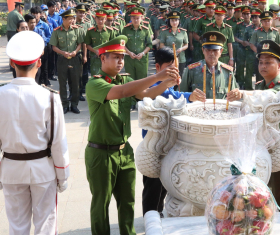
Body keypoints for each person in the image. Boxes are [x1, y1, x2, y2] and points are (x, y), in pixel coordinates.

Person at [85, 36, 180, 235]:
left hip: (124, 150)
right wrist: (157, 76)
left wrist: (167, 81)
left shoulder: (126, 79)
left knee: (127, 201)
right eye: (115, 57)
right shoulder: (95, 84)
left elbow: (147, 94)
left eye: (122, 57)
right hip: (100, 153)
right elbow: (120, 92)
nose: (121, 61)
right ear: (102, 59)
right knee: (101, 203)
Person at [0, 31, 69, 235]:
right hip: (43, 170)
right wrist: (62, 174)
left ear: (12, 64)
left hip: (11, 170)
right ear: (39, 63)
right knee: (46, 226)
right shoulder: (49, 97)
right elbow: (58, 142)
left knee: (18, 227)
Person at [141, 47, 206, 217]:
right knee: (153, 187)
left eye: (176, 67)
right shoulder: (150, 87)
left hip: (168, 146)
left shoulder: (167, 87)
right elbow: (159, 98)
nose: (174, 71)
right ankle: (150, 218)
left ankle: (159, 213)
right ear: (158, 67)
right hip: (154, 148)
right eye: (170, 67)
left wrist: (189, 96)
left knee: (164, 186)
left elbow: (174, 95)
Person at [254, 40, 280, 212]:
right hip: (264, 142)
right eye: (261, 62)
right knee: (263, 187)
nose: (263, 66)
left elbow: (269, 97)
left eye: (268, 62)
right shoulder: (260, 85)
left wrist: (245, 94)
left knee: (278, 188)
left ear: (279, 66)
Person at [181, 31, 242, 101]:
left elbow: (234, 97)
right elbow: (181, 96)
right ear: (203, 50)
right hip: (197, 110)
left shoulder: (228, 72)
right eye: (208, 50)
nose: (211, 53)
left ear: (221, 51)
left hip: (221, 110)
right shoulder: (191, 70)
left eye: (215, 50)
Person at [49, 8, 85, 114]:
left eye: (73, 19)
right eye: (70, 19)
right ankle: (64, 105)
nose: (72, 21)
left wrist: (75, 51)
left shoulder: (76, 30)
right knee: (62, 83)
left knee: (75, 83)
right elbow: (54, 47)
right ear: (63, 19)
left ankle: (74, 105)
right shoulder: (56, 31)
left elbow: (80, 43)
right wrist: (63, 53)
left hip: (74, 59)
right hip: (62, 60)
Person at [121, 7, 153, 82]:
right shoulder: (125, 29)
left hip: (142, 59)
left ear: (141, 18)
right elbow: (122, 44)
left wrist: (142, 53)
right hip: (129, 59)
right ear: (131, 18)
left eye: (137, 18)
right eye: (133, 18)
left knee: (142, 81)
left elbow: (149, 45)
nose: (135, 20)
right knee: (130, 81)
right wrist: (129, 52)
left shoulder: (145, 30)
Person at [249, 10, 280, 83]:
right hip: (260, 59)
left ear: (271, 21)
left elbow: (278, 44)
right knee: (260, 78)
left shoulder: (275, 32)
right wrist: (259, 52)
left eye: (268, 20)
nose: (267, 22)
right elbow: (251, 44)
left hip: (271, 59)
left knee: (272, 77)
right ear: (261, 22)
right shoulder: (256, 32)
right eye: (264, 21)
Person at [85, 9, 117, 76]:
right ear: (95, 19)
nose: (100, 21)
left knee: (107, 77)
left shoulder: (110, 31)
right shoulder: (90, 31)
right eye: (98, 19)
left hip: (107, 59)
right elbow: (87, 44)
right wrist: (94, 51)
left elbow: (114, 45)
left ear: (105, 19)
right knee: (95, 77)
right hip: (95, 59)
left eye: (102, 19)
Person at [158, 10, 189, 76]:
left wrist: (181, 49)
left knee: (179, 77)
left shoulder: (183, 32)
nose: (174, 22)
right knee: (169, 77)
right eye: (172, 20)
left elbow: (186, 45)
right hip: (168, 58)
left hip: (181, 59)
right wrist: (171, 51)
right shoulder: (164, 32)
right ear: (169, 21)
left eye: (176, 20)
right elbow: (161, 45)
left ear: (179, 21)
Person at [31, 6, 52, 86]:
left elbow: (49, 36)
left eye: (37, 14)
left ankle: (45, 82)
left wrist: (42, 42)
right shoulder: (28, 25)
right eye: (34, 14)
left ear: (40, 14)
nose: (35, 15)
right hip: (33, 50)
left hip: (43, 48)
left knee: (44, 67)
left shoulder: (44, 25)